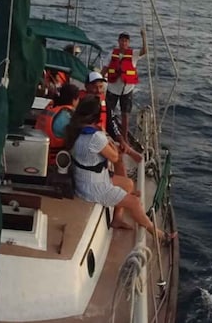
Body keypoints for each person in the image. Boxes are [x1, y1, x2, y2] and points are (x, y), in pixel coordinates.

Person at [66, 95, 174, 242]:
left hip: (84, 181)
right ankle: (159, 235)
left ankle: (117, 218)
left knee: (129, 184)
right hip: (94, 187)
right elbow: (115, 158)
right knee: (135, 203)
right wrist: (109, 141)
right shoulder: (96, 137)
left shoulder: (74, 130)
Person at [105, 30, 147, 137]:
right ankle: (107, 132)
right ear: (118, 41)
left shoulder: (133, 54)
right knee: (108, 112)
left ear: (128, 43)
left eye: (126, 41)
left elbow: (145, 51)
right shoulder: (112, 54)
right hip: (112, 89)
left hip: (127, 90)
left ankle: (124, 137)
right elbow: (105, 68)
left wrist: (144, 37)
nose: (124, 43)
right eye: (122, 41)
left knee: (125, 114)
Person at [35, 83, 81, 157]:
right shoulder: (69, 116)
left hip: (38, 151)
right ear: (74, 100)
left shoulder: (50, 109)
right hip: (56, 158)